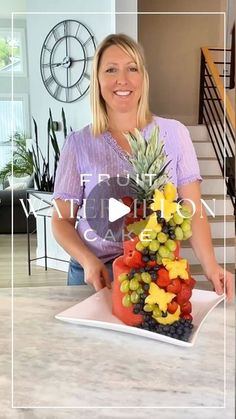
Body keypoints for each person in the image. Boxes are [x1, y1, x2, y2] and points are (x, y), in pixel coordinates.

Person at [51, 33, 233, 301]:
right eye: (111, 69)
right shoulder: (77, 143)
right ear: (98, 80)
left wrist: (211, 266)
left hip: (154, 272)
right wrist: (88, 260)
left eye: (132, 68)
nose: (122, 79)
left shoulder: (175, 134)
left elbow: (192, 210)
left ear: (143, 78)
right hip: (94, 273)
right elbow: (61, 220)